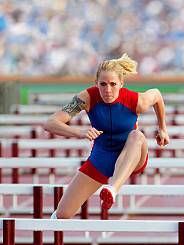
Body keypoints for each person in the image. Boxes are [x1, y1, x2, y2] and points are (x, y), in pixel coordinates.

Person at [43, 53, 169, 218]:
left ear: (121, 83)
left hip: (132, 156)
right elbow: (50, 123)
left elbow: (157, 94)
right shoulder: (86, 98)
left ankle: (112, 189)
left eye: (113, 84)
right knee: (63, 213)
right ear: (96, 83)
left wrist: (162, 128)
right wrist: (79, 132)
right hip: (102, 157)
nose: (107, 90)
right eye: (103, 84)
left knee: (137, 136)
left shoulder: (136, 100)